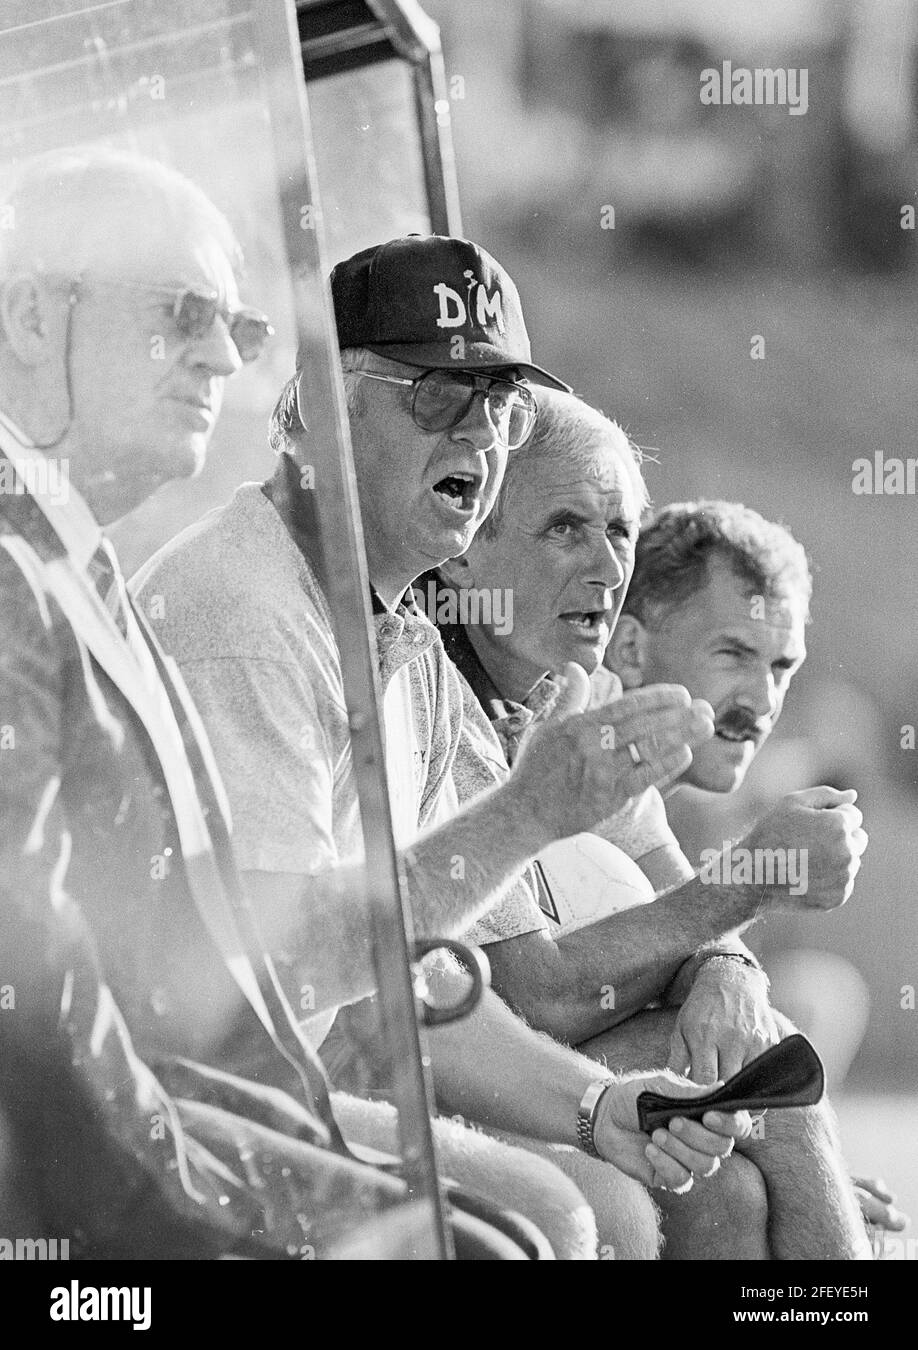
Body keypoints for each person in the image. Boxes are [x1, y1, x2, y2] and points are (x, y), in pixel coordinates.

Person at [135, 234, 752, 1260]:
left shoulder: (402, 628)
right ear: (323, 409)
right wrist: (533, 812)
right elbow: (284, 975)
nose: (476, 433)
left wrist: (601, 1106)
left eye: (499, 408)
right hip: (184, 1096)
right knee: (554, 1218)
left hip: (287, 1079)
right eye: (436, 396)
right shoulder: (250, 615)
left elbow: (410, 982)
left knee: (639, 1181)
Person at [0, 147, 516, 1260]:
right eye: (181, 314)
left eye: (235, 331)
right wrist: (232, 1213)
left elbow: (208, 970)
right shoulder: (22, 580)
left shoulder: (74, 567)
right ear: (33, 317)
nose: (215, 360)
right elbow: (35, 999)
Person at [428, 392, 872, 1260]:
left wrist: (731, 971)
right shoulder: (435, 703)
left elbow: (691, 904)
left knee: (733, 1191)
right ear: (468, 548)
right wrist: (756, 878)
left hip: (568, 1073)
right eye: (567, 528)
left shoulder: (573, 700)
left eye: (622, 532)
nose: (604, 565)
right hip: (443, 1079)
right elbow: (534, 995)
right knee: (768, 1076)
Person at [604, 498, 909, 1238]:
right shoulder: (587, 764)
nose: (762, 701)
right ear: (633, 648)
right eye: (733, 655)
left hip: (654, 1091)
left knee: (754, 1192)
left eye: (782, 666)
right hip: (526, 1087)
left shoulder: (697, 794)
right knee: (773, 1062)